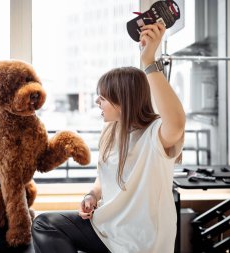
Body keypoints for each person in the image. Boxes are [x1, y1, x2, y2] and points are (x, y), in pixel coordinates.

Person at [32, 22, 185, 253]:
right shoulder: (112, 130)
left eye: (102, 98)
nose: (97, 102)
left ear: (123, 102)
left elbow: (177, 122)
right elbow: (105, 175)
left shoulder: (155, 135)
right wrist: (92, 195)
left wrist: (148, 62)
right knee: (45, 224)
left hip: (139, 244)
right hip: (105, 229)